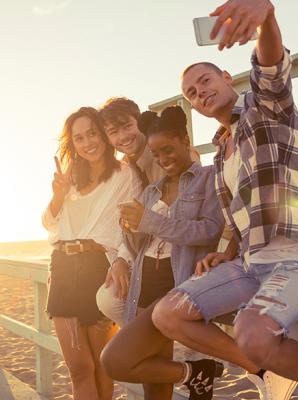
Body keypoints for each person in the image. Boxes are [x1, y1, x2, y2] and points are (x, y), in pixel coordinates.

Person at [151, 1, 298, 399]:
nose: (199, 92)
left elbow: (270, 65)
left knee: (251, 332)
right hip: (250, 263)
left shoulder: (265, 107)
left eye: (204, 80)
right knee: (167, 314)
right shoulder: (221, 152)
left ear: (224, 75)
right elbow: (243, 211)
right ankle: (265, 370)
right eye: (191, 92)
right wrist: (228, 250)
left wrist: (266, 15)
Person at [99, 106, 226, 400]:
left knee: (116, 360)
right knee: (153, 388)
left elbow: (208, 231)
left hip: (176, 283)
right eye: (155, 154)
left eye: (167, 149)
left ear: (185, 140)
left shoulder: (207, 178)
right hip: (145, 284)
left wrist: (149, 221)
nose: (162, 159)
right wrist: (130, 229)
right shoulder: (151, 191)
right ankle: (196, 373)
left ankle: (198, 371)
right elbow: (138, 246)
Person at [42, 106, 141, 399]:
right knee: (78, 367)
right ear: (72, 143)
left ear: (103, 133)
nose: (88, 143)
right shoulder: (70, 176)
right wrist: (58, 195)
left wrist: (123, 259)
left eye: (92, 134)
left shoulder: (126, 174)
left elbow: (132, 228)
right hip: (62, 266)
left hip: (100, 267)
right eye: (79, 138)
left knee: (100, 365)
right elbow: (48, 223)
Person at [98, 97, 205, 312]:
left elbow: (185, 214)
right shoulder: (128, 167)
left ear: (140, 122)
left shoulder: (164, 156)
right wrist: (120, 259)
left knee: (112, 301)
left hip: (180, 253)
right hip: (148, 248)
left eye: (128, 126)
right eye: (113, 132)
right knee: (109, 299)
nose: (123, 137)